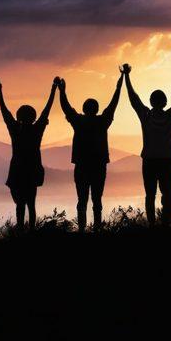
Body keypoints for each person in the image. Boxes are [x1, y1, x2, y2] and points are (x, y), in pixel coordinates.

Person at [121, 61, 171, 225]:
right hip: (167, 161)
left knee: (150, 195)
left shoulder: (146, 116)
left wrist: (127, 76)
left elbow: (134, 99)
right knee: (167, 194)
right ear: (165, 102)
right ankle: (166, 223)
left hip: (150, 161)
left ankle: (152, 225)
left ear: (151, 101)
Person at [58, 72, 123, 231]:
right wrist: (119, 85)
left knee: (82, 200)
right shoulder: (103, 121)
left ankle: (81, 229)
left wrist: (62, 91)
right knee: (97, 201)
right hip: (99, 165)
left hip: (81, 166)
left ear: (84, 108)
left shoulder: (78, 121)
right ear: (97, 109)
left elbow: (65, 107)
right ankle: (97, 229)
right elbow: (113, 104)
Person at [0, 77, 58, 230]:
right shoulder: (37, 129)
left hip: (17, 170)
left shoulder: (15, 129)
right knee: (31, 204)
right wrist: (53, 89)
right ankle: (30, 232)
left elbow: (4, 112)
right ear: (33, 116)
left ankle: (21, 231)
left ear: (18, 116)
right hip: (32, 170)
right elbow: (46, 110)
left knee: (20, 205)